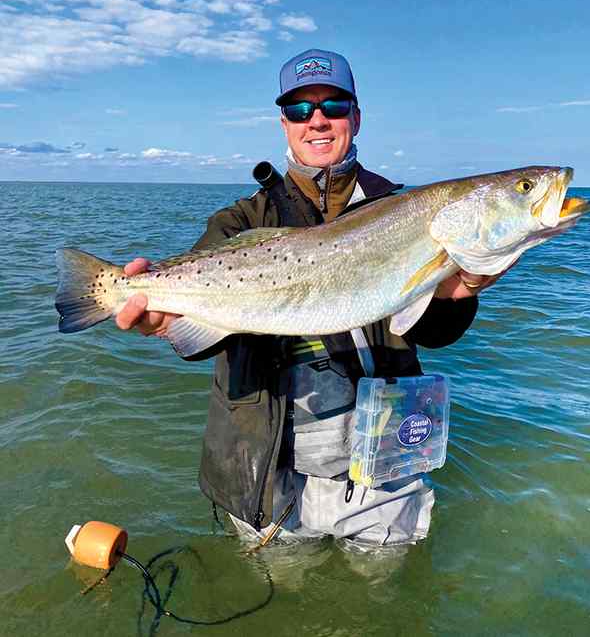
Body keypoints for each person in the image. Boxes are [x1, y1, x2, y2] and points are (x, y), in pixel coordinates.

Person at [116, 48, 508, 548]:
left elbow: (430, 332)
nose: (317, 121)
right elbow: (206, 334)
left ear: (356, 117)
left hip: (381, 459)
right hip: (267, 466)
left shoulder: (403, 209)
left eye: (334, 106)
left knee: (380, 600)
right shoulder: (239, 222)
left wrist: (463, 290)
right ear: (284, 124)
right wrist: (162, 318)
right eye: (301, 110)